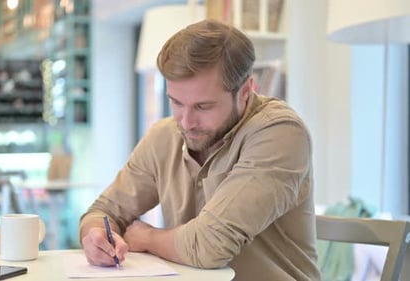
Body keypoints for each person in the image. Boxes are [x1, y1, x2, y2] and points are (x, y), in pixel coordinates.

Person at [79, 19, 321, 281]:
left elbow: (210, 246)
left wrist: (147, 237)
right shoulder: (165, 135)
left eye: (203, 107)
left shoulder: (281, 132)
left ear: (246, 91)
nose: (185, 121)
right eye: (176, 102)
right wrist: (96, 236)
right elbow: (104, 210)